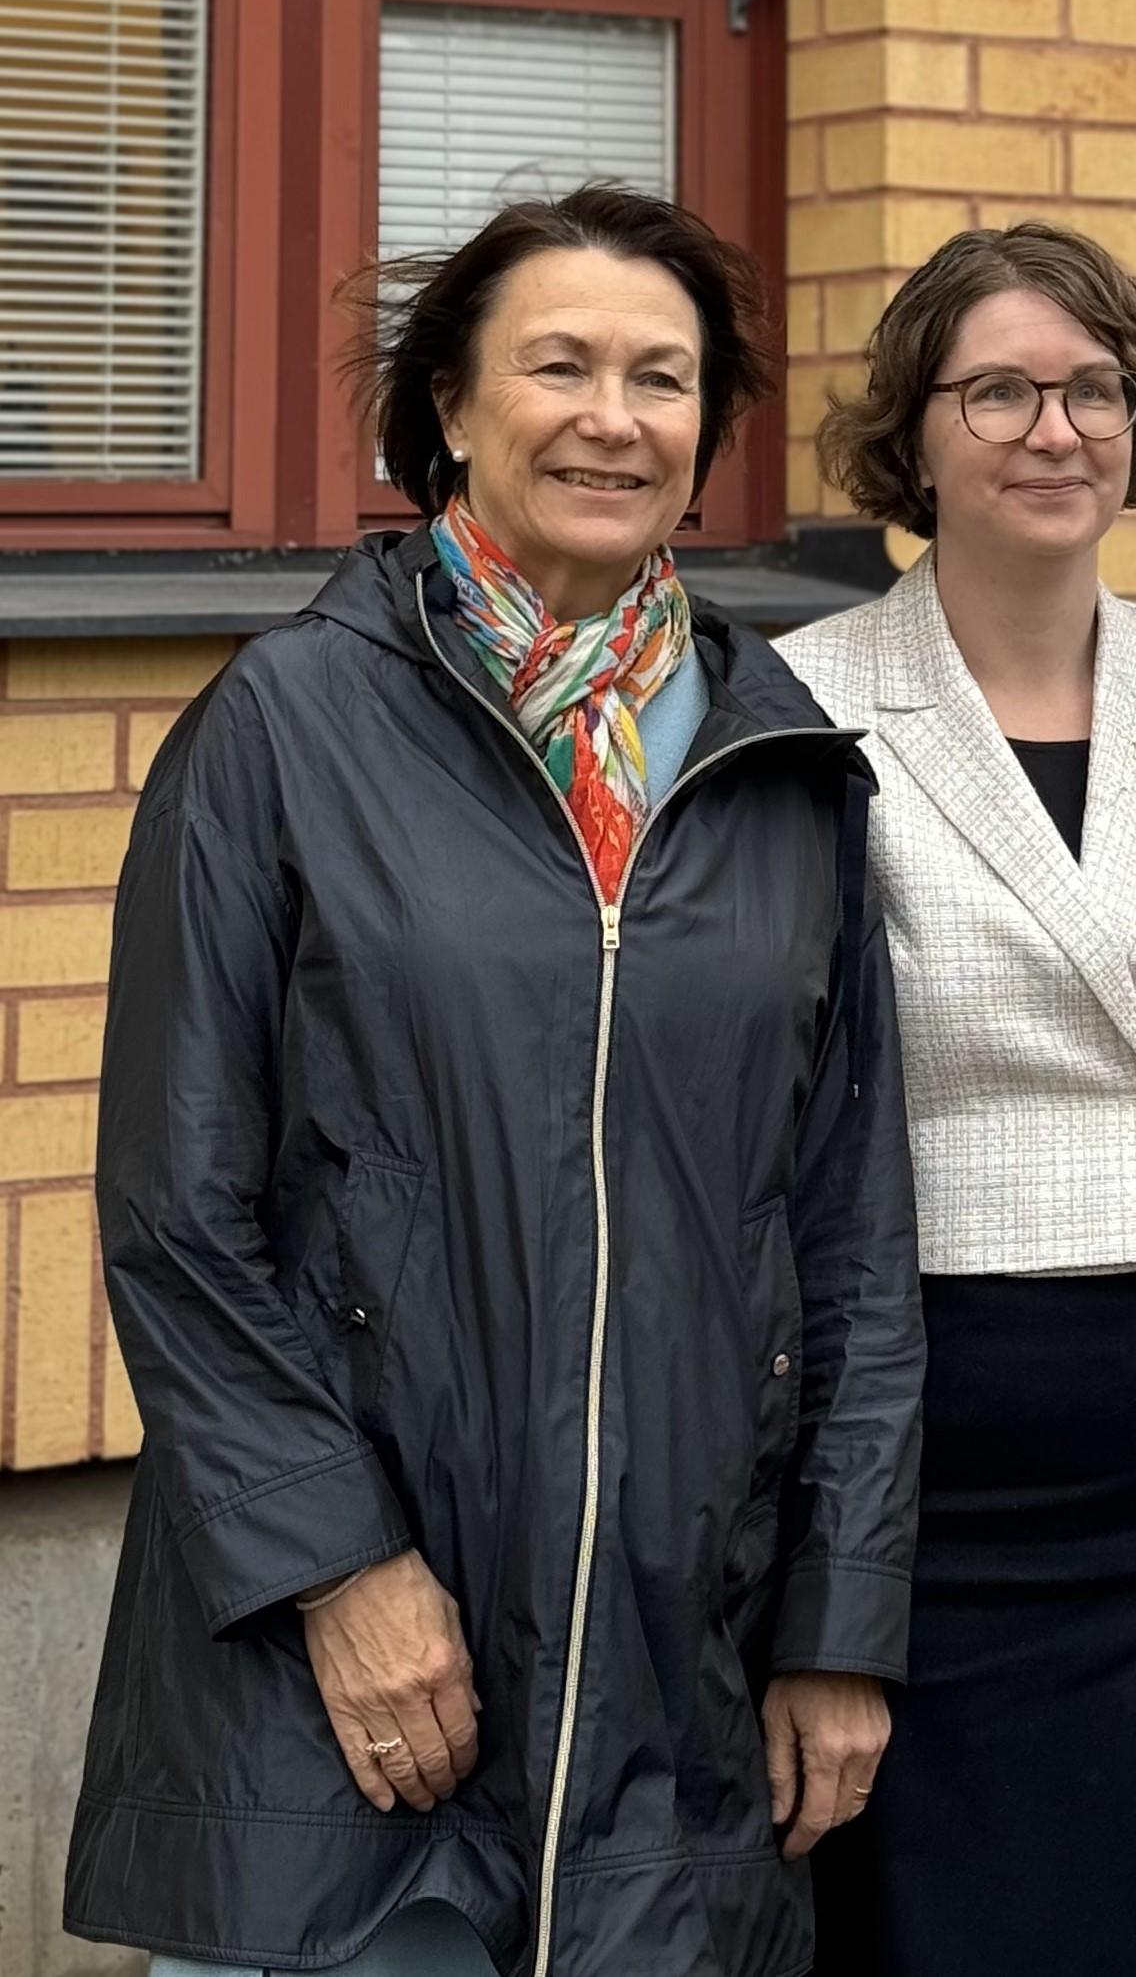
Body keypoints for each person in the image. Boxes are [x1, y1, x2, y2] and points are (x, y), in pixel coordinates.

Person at [64, 186, 924, 1977]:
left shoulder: (786, 772)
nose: (614, 415)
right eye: (560, 364)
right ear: (451, 408)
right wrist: (337, 1569)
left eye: (663, 379)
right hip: (351, 1689)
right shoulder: (284, 728)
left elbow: (851, 1236)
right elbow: (175, 1209)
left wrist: (842, 1618)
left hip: (683, 1686)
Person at [777, 221, 1136, 1977]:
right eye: (1001, 391)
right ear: (916, 432)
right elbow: (776, 1140)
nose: (1055, 430)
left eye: (1094, 387)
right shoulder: (800, 703)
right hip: (921, 1449)